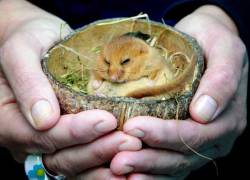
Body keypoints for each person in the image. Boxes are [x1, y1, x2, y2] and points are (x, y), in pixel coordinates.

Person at [0, 0, 248, 179]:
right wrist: (11, 18)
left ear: (142, 53)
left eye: (125, 63)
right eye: (109, 63)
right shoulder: (98, 65)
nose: (115, 73)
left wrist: (224, 14)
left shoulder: (151, 59)